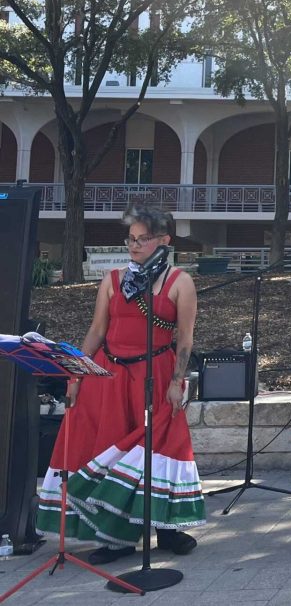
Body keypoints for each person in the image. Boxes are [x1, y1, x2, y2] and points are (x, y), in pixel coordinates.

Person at [36, 203, 204, 564]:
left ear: (164, 241)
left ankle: (168, 529)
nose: (134, 246)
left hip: (155, 373)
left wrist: (179, 381)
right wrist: (76, 374)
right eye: (131, 239)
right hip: (108, 375)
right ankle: (117, 538)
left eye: (143, 240)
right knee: (107, 447)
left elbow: (186, 339)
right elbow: (97, 330)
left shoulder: (180, 282)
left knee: (157, 449)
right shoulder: (112, 280)